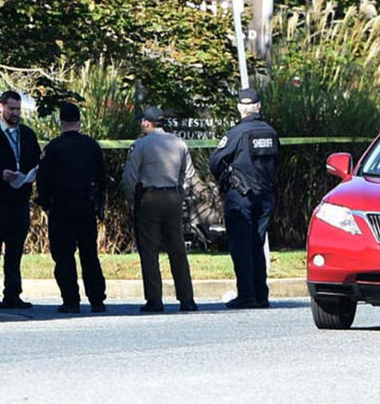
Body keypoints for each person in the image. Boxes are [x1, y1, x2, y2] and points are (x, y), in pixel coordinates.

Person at [209, 88, 280, 309]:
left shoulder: (237, 134)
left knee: (241, 246)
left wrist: (225, 180)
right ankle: (261, 294)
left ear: (240, 108)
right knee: (257, 244)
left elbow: (215, 161)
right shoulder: (271, 133)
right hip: (265, 196)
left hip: (241, 196)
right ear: (259, 106)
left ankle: (247, 295)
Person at [122, 106, 197, 313]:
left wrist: (132, 201)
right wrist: (179, 193)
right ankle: (187, 299)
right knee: (177, 249)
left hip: (149, 197)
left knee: (149, 250)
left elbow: (130, 177)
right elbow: (188, 175)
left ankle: (155, 300)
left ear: (146, 123)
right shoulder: (179, 143)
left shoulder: (141, 145)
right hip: (172, 196)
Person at [36, 103, 108, 314]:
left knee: (64, 255)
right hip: (86, 206)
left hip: (61, 208)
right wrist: (100, 204)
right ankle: (96, 299)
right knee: (89, 254)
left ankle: (71, 300)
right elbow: (102, 177)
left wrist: (46, 204)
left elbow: (43, 179)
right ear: (79, 121)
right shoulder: (91, 146)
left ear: (61, 121)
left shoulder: (53, 147)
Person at [0, 90, 41, 309]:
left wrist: (30, 175)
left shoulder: (28, 135)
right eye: (11, 109)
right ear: (1, 107)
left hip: (19, 198)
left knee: (15, 249)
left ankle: (13, 293)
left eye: (18, 109)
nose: (15, 113)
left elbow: (35, 161)